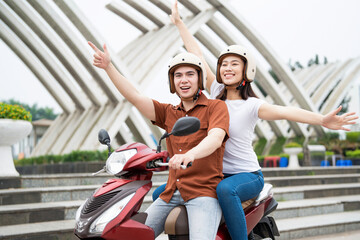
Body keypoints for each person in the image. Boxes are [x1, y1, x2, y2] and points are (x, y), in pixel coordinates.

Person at [152, 1, 359, 239]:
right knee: (161, 192)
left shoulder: (252, 106)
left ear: (246, 71)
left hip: (246, 175)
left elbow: (286, 112)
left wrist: (322, 119)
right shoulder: (214, 90)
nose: (228, 68)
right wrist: (179, 23)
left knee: (226, 190)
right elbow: (196, 55)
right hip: (213, 174)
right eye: (224, 64)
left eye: (235, 64)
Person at [88, 41, 229, 240]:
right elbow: (136, 97)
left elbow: (215, 139)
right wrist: (108, 67)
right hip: (172, 192)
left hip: (203, 192)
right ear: (173, 82)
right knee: (134, 235)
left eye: (190, 74)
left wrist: (190, 154)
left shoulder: (216, 107)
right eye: (178, 75)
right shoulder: (169, 113)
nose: (184, 80)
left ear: (200, 78)